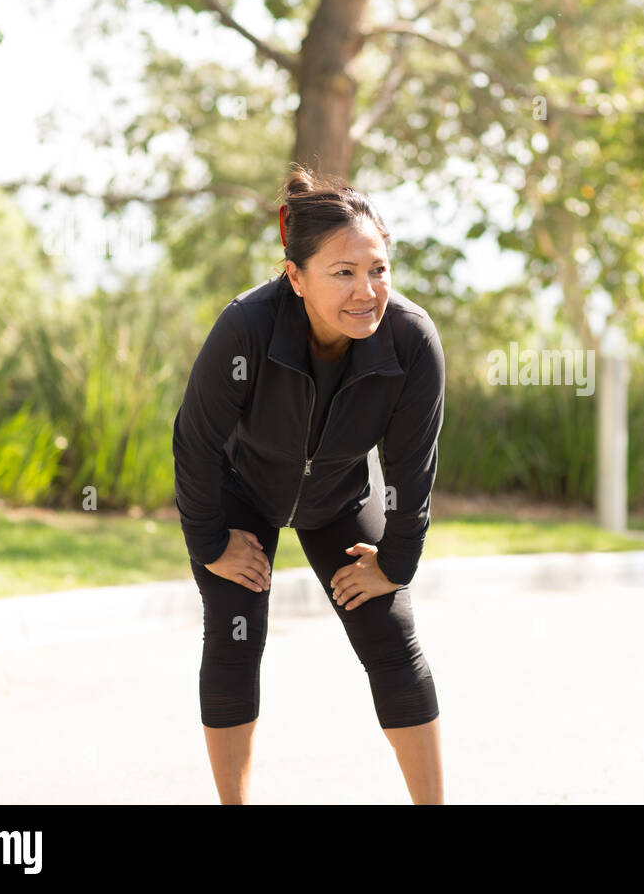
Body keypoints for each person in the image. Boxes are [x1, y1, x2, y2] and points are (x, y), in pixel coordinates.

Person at [171, 163, 445, 804]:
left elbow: (411, 470)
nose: (366, 290)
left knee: (390, 633)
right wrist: (213, 542)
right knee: (235, 630)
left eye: (378, 269)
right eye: (343, 272)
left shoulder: (411, 343)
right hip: (242, 490)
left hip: (341, 496)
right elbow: (196, 443)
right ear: (296, 277)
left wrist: (397, 562)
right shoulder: (247, 327)